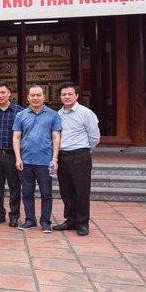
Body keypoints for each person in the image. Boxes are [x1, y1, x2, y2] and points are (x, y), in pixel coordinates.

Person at [13, 84, 62, 233]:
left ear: (44, 97)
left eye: (38, 95)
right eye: (32, 95)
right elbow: (16, 137)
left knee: (46, 193)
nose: (35, 98)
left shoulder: (53, 115)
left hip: (45, 161)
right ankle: (30, 220)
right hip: (26, 161)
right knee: (27, 192)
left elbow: (56, 137)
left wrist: (55, 159)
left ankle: (45, 221)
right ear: (28, 97)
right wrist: (18, 158)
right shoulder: (21, 115)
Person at [53, 82, 100, 237]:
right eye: (64, 94)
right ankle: (70, 220)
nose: (66, 97)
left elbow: (94, 137)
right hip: (63, 156)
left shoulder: (86, 113)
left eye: (70, 94)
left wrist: (84, 151)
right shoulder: (58, 115)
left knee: (81, 191)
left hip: (80, 155)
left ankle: (82, 223)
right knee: (66, 191)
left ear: (77, 95)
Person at [0, 82, 24, 227]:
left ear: (9, 93)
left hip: (12, 154)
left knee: (14, 186)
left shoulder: (19, 111)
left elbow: (23, 133)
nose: (0, 95)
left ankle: (14, 215)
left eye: (3, 92)